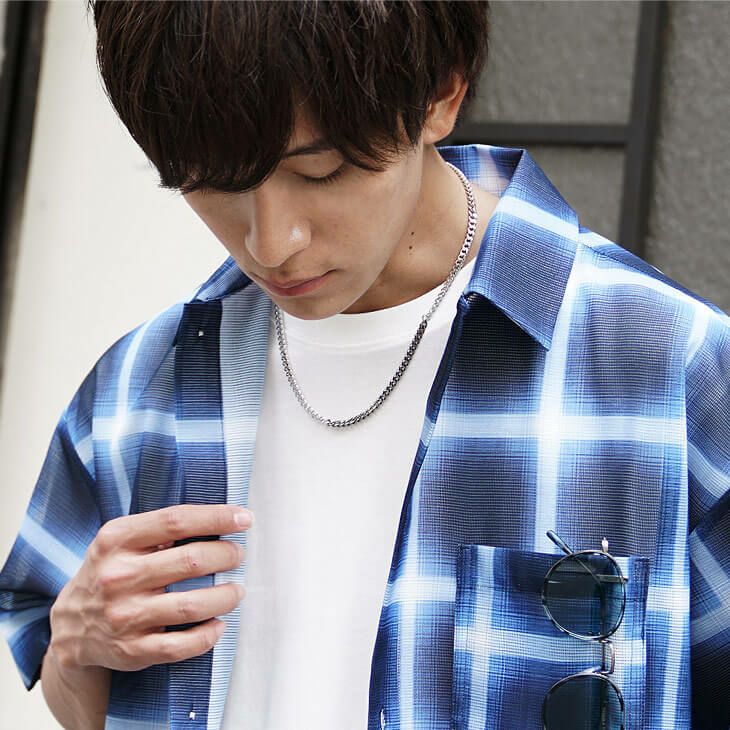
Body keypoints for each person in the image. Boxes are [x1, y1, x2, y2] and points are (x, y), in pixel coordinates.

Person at [1, 1, 728, 729]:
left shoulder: (671, 370)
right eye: (211, 181)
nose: (271, 243)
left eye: (320, 171)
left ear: (440, 94)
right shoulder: (134, 392)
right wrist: (76, 650)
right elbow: (81, 697)